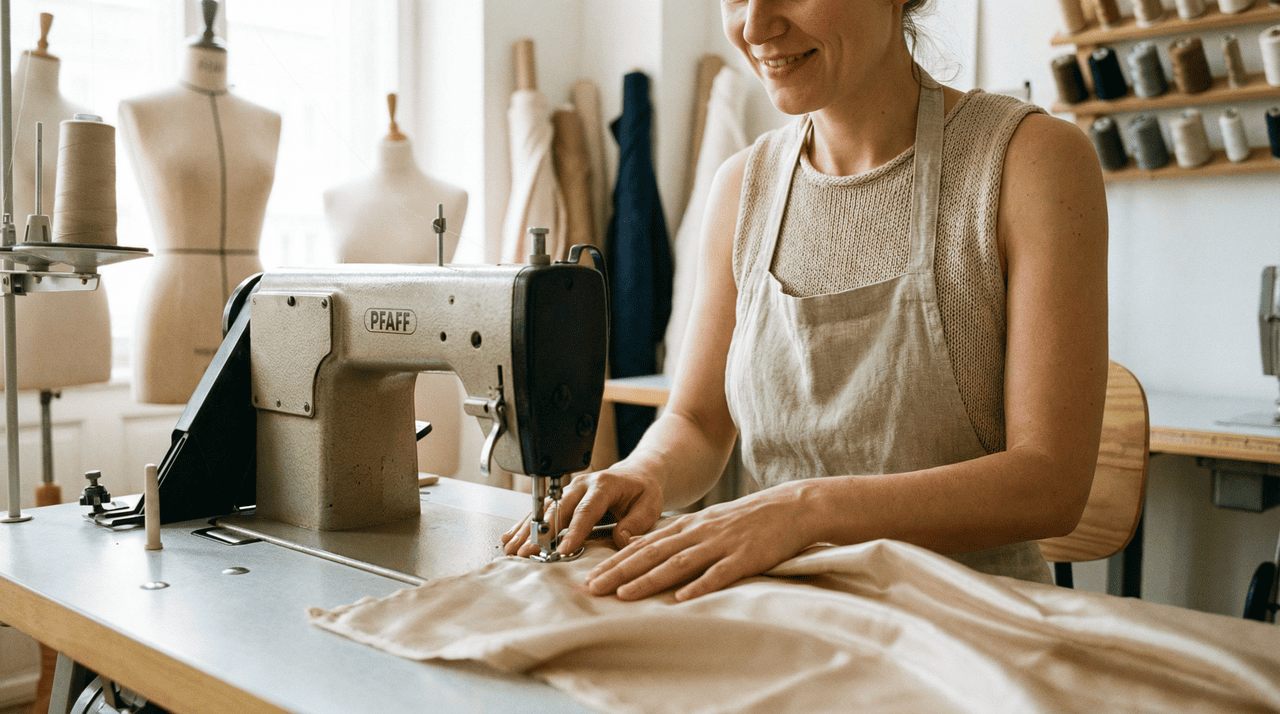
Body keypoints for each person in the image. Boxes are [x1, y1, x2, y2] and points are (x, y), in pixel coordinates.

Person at [503, 0, 1108, 603]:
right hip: (786, 612)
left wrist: (806, 509)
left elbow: (1050, 484)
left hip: (970, 623)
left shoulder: (1031, 162)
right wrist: (643, 471)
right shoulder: (743, 187)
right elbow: (698, 423)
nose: (755, 26)